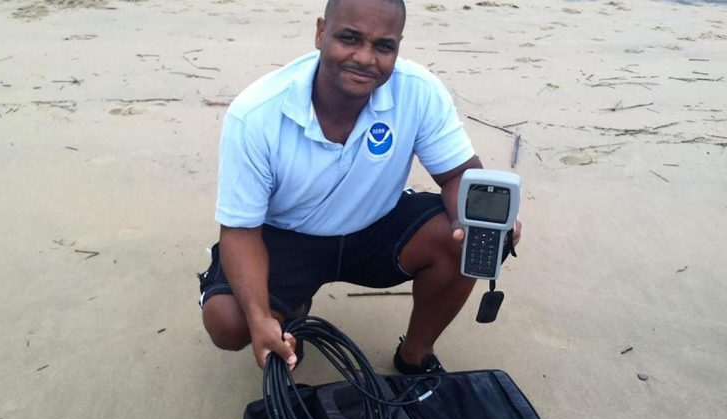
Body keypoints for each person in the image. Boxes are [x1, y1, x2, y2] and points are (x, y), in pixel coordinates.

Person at [199, 0, 521, 374]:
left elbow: (457, 176)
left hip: (374, 226)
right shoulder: (255, 114)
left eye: (384, 46)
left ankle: (416, 354)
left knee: (461, 239)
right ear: (321, 33)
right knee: (228, 322)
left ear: (399, 45)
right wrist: (258, 318)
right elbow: (240, 228)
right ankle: (292, 308)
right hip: (287, 235)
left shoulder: (419, 91)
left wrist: (480, 221)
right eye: (350, 38)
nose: (366, 58)